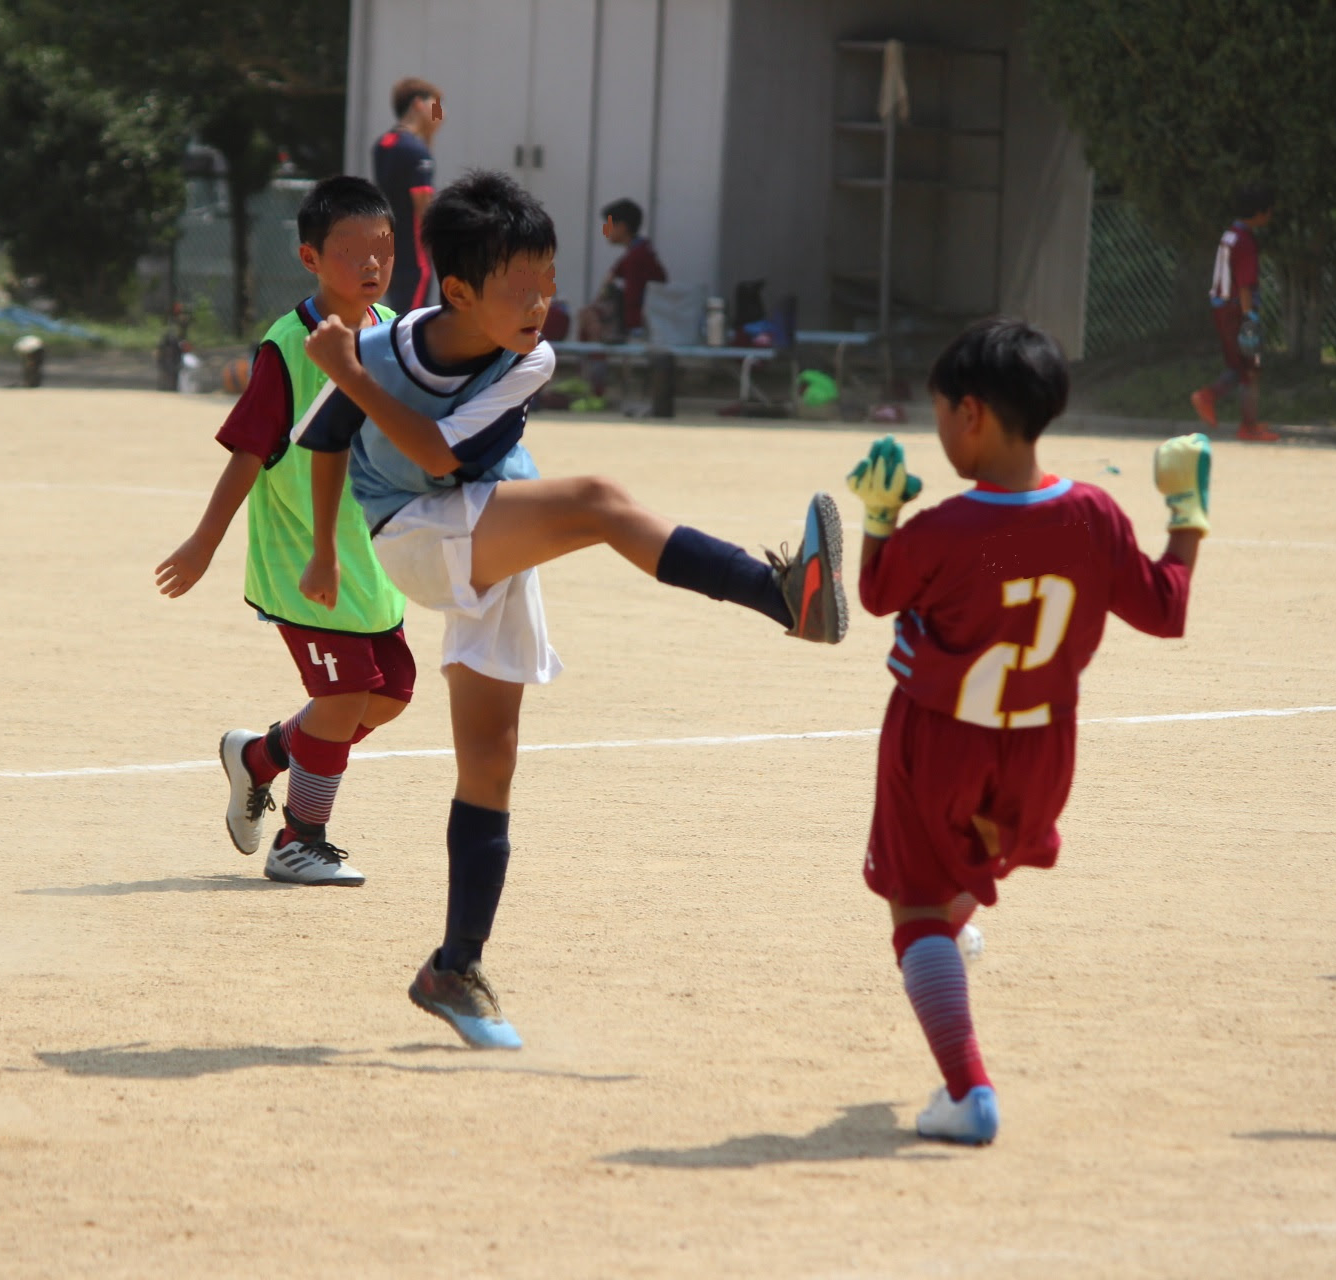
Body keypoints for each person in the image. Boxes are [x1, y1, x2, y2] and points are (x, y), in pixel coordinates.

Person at [294, 170, 848, 1049]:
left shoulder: (529, 359)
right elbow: (332, 442)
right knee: (596, 500)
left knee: (490, 761)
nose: (542, 306)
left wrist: (346, 371)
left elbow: (437, 448)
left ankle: (454, 967)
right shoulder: (384, 348)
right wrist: (326, 546)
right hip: (413, 532)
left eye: (550, 284)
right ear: (459, 291)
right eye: (522, 289)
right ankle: (780, 596)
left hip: (490, 528)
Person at [848, 317, 1207, 1145]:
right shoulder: (1093, 513)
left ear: (971, 413)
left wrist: (879, 518)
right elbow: (1166, 607)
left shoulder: (942, 529)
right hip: (1043, 750)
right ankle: (951, 929)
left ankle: (967, 1090)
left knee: (915, 909)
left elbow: (875, 594)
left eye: (942, 415)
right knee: (968, 867)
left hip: (940, 740)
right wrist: (1187, 511)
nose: (941, 432)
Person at [156, 176, 411, 887]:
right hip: (301, 553)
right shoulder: (288, 345)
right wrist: (204, 542)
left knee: (390, 693)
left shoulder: (393, 331)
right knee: (342, 697)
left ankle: (259, 757)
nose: (371, 263)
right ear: (310, 258)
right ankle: (300, 841)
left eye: (383, 248)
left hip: (368, 554)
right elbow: (248, 451)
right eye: (351, 250)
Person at [1191, 187, 1278, 442]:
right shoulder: (1246, 241)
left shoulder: (1230, 234)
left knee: (1239, 365)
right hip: (1237, 309)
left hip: (1223, 307)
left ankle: (1242, 418)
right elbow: (1245, 284)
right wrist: (1249, 317)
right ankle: (1239, 420)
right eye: (1269, 211)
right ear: (1259, 213)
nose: (1271, 215)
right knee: (1250, 367)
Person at [373, 77, 444, 314]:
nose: (440, 114)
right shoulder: (415, 150)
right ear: (418, 104)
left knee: (396, 313)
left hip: (389, 247)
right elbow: (423, 204)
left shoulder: (384, 144)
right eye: (436, 106)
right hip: (414, 254)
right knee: (411, 319)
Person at [577, 198, 669, 342]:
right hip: (638, 322)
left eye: (608, 225)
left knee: (588, 318)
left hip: (638, 327)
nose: (605, 230)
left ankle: (595, 356)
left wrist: (633, 329)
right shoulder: (639, 252)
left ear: (622, 227)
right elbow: (611, 279)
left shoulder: (636, 257)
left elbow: (634, 295)